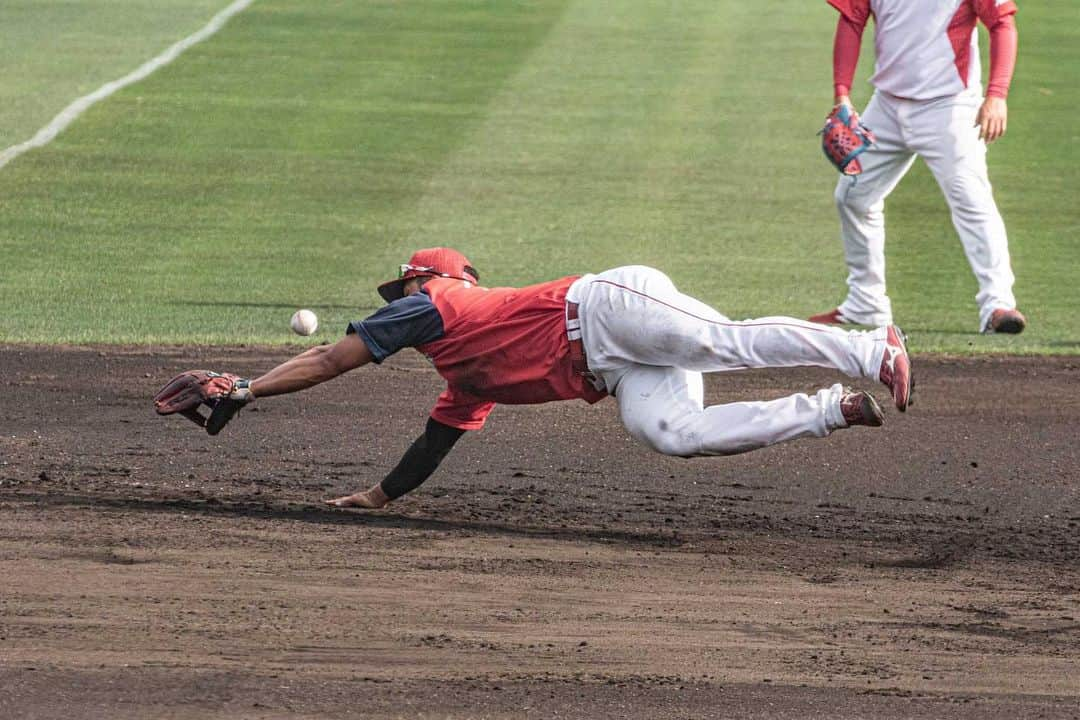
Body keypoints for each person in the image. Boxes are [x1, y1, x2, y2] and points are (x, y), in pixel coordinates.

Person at [157, 248, 912, 509]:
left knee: (723, 344)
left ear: (436, 279)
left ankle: (870, 347)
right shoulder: (464, 373)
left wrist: (251, 389)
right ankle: (832, 408)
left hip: (608, 306)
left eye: (406, 286)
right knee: (669, 433)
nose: (399, 300)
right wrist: (381, 495)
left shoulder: (440, 305)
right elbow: (434, 442)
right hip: (617, 365)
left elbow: (329, 360)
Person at [810, 0, 1027, 335]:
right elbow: (851, 20)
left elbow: (1002, 23)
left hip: (950, 106)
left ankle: (998, 303)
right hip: (887, 105)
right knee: (853, 197)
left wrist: (997, 95)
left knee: (972, 201)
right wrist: (842, 94)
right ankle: (866, 303)